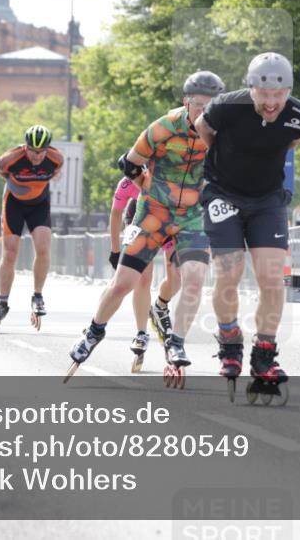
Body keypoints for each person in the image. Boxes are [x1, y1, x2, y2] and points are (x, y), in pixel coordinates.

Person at [67, 71, 226, 380]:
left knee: (192, 280)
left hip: (192, 215)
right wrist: (148, 185)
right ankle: (94, 331)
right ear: (186, 102)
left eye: (210, 107)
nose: (203, 113)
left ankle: (176, 342)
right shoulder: (164, 127)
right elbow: (127, 163)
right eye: (198, 106)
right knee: (123, 283)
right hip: (153, 212)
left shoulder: (222, 132)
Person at [194, 53, 300, 392]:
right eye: (265, 95)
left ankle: (265, 354)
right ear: (251, 89)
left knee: (272, 277)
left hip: (267, 199)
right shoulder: (226, 107)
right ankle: (230, 342)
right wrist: (226, 161)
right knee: (229, 274)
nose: (272, 103)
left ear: (289, 91)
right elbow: (203, 129)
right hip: (223, 195)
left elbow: (290, 142)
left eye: (280, 95)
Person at [0, 125, 64, 333]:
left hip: (39, 204)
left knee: (43, 247)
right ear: (25, 147)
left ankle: (37, 296)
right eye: (32, 151)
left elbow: (56, 170)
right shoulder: (11, 158)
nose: (37, 156)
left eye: (41, 152)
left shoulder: (56, 158)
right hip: (14, 204)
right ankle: (2, 303)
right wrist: (15, 184)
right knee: (10, 253)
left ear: (48, 149)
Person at [109, 177, 182, 371]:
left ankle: (159, 306)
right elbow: (116, 214)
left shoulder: (170, 175)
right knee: (143, 277)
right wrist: (115, 251)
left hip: (168, 220)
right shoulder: (126, 183)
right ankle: (141, 333)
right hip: (139, 218)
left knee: (177, 277)